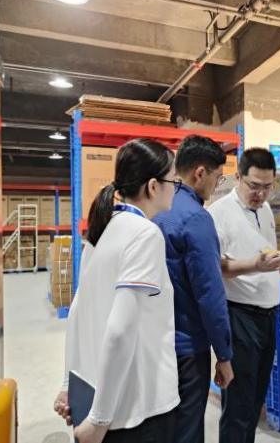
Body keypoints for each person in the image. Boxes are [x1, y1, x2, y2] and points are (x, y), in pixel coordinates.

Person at [53, 138, 181, 443]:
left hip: (99, 396)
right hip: (139, 408)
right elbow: (120, 330)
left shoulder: (102, 229)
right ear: (153, 186)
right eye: (173, 181)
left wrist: (68, 384)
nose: (175, 189)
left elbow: (78, 314)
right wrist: (99, 420)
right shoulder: (145, 234)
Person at [208, 148, 280, 443]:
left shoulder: (266, 210)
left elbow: (270, 255)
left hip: (268, 315)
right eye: (254, 186)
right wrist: (254, 266)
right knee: (239, 402)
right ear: (238, 177)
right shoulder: (219, 214)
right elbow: (217, 268)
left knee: (257, 397)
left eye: (267, 187)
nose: (260, 194)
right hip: (239, 315)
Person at [152, 135, 234, 443]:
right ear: (200, 173)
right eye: (217, 177)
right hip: (187, 348)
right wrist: (223, 355)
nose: (216, 185)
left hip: (154, 342)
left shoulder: (155, 207)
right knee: (187, 429)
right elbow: (210, 295)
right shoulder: (196, 219)